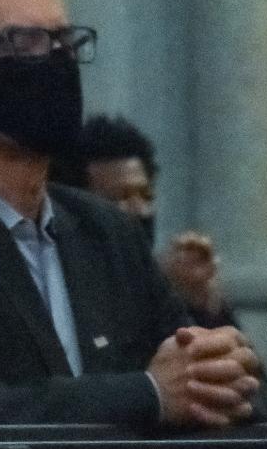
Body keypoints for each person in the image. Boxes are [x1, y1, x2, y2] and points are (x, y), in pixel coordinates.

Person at [0, 0, 262, 430]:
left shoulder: (107, 232)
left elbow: (224, 391)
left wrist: (226, 371)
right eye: (27, 44)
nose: (59, 62)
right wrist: (147, 394)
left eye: (66, 43)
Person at [59, 114, 239, 330]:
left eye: (146, 195)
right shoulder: (63, 289)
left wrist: (199, 301)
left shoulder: (160, 286)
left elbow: (229, 360)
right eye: (121, 198)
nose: (141, 210)